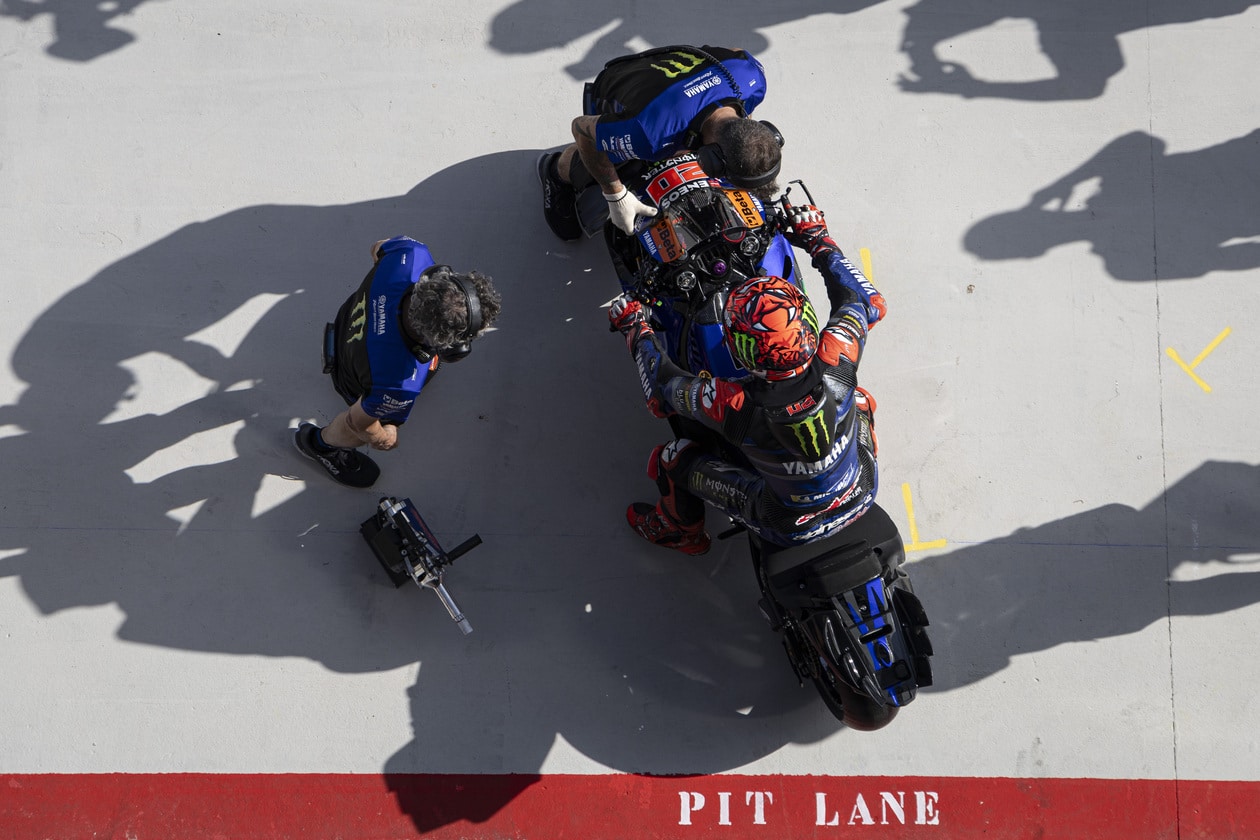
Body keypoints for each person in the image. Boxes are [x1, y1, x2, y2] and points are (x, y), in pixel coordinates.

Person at [607, 204, 887, 554]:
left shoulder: (733, 403)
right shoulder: (838, 356)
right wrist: (818, 240)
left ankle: (680, 530)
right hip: (861, 487)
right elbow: (867, 301)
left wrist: (636, 329)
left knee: (672, 457)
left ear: (740, 350)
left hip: (785, 522)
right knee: (859, 400)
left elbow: (661, 392)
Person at [294, 236, 502, 488]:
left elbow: (377, 247)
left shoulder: (412, 254)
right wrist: (384, 436)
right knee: (360, 429)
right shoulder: (400, 383)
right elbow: (357, 422)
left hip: (346, 324)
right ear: (451, 347)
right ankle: (320, 444)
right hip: (351, 377)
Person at [539, 44, 783, 240]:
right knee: (606, 162)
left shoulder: (751, 79)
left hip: (669, 69)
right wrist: (615, 194)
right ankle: (555, 171)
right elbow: (581, 129)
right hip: (621, 81)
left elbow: (733, 51)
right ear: (710, 159)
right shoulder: (648, 134)